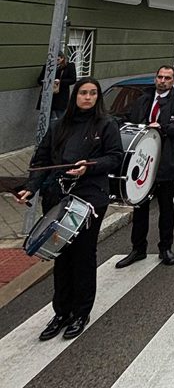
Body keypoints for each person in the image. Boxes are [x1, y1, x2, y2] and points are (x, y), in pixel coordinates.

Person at [17, 77, 124, 340]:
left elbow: (115, 158)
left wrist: (90, 166)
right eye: (83, 93)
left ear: (97, 98)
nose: (87, 97)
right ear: (75, 96)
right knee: (61, 258)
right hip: (57, 198)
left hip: (88, 199)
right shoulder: (58, 126)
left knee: (83, 257)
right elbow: (41, 159)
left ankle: (80, 313)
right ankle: (61, 312)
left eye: (93, 93)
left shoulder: (106, 125)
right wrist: (31, 186)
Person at [117, 66, 174, 268]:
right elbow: (130, 120)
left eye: (167, 78)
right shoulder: (143, 99)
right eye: (160, 77)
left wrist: (165, 128)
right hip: (143, 162)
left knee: (166, 209)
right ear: (155, 79)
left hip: (166, 163)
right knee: (139, 208)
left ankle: (165, 248)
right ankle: (138, 249)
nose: (162, 81)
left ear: (173, 81)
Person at [36, 52, 77, 125]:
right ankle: (48, 134)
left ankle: (63, 133)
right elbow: (39, 80)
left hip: (61, 95)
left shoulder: (69, 66)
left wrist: (60, 81)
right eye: (54, 59)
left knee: (61, 117)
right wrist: (45, 82)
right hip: (48, 94)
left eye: (58, 59)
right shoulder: (47, 66)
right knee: (47, 118)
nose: (56, 61)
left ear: (62, 58)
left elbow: (73, 79)